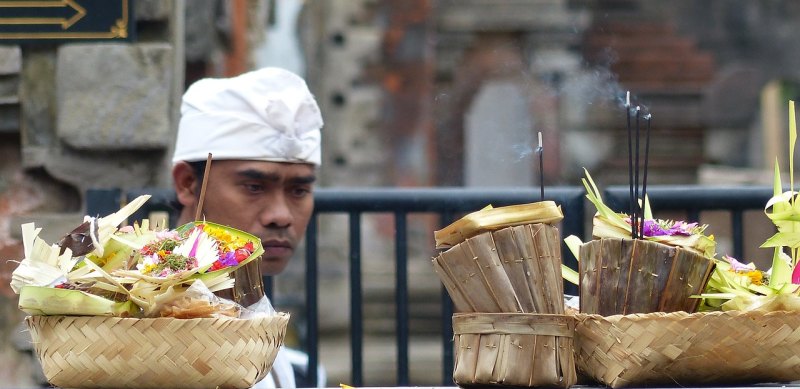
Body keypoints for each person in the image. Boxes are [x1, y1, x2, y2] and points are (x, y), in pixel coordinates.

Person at [171, 67, 323, 388]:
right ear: (188, 184)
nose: (281, 216)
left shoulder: (284, 357)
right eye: (254, 187)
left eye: (299, 191)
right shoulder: (130, 325)